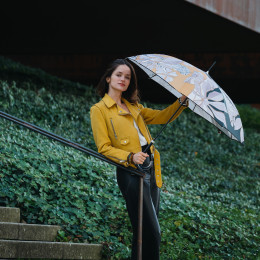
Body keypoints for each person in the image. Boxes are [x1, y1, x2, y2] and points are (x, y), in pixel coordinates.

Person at [90, 59, 188, 260]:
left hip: (152, 170)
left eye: (127, 77)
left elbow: (162, 116)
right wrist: (129, 156)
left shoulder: (134, 107)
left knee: (142, 233)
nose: (123, 80)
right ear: (108, 78)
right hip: (131, 172)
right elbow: (103, 147)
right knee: (152, 233)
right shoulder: (99, 110)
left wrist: (181, 103)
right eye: (119, 75)